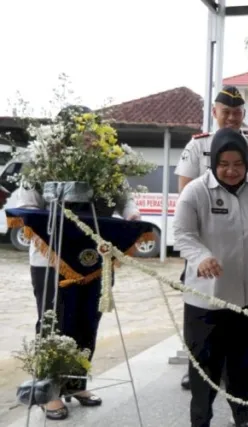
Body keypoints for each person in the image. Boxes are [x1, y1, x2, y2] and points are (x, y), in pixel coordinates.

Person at [17, 105, 141, 421]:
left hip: (95, 260)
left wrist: (132, 219)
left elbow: (126, 200)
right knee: (54, 324)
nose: (85, 138)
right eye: (77, 132)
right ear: (61, 134)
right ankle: (50, 393)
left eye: (89, 131)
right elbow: (27, 208)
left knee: (87, 321)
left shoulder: (106, 165)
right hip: (51, 262)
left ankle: (76, 383)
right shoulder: (41, 164)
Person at [174, 127, 248, 427]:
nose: (231, 170)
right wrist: (201, 257)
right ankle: (200, 417)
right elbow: (182, 235)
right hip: (206, 298)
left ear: (247, 162)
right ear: (213, 162)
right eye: (224, 164)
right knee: (204, 364)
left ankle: (242, 412)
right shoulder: (196, 191)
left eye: (238, 164)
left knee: (246, 360)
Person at [175, 85, 248, 391]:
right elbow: (185, 192)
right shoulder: (198, 145)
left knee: (246, 312)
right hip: (205, 239)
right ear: (214, 113)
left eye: (237, 113)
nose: (231, 118)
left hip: (247, 245)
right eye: (226, 112)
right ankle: (200, 367)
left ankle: (235, 375)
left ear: (243, 114)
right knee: (202, 309)